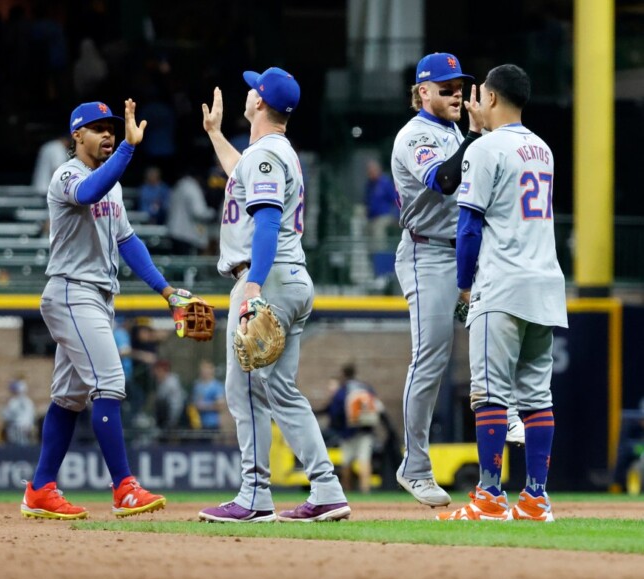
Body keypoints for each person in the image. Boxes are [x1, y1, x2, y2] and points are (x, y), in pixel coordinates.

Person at [21, 100, 208, 520]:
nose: (107, 134)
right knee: (110, 382)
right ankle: (124, 488)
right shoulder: (67, 175)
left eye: (111, 127)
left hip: (97, 296)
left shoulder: (114, 184)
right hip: (72, 290)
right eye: (97, 128)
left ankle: (40, 490)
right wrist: (126, 148)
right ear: (77, 136)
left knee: (68, 399)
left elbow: (128, 242)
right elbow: (89, 192)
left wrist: (166, 290)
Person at [198, 67, 350, 523]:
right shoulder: (267, 153)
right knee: (281, 392)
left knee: (243, 389)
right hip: (291, 277)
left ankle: (254, 494)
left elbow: (265, 222)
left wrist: (253, 289)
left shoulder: (265, 156)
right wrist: (215, 134)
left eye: (252, 87)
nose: (247, 90)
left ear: (259, 102)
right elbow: (241, 174)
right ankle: (326, 489)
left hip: (267, 276)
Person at [438, 64, 567, 521]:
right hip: (546, 285)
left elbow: (469, 225)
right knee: (536, 396)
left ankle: (490, 495)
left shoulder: (487, 147)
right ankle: (535, 498)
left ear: (490, 98)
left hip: (503, 284)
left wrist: (464, 286)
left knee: (489, 394)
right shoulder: (543, 149)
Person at [390, 52, 485, 508]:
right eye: (446, 87)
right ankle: (415, 466)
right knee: (429, 360)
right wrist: (476, 136)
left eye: (460, 86)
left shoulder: (450, 131)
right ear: (423, 91)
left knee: (492, 345)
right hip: (426, 253)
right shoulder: (416, 135)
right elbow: (444, 180)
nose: (456, 93)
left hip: (466, 253)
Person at [326, 364, 382, 494]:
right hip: (365, 430)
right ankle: (365, 490)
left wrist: (337, 428)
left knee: (346, 462)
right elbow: (377, 405)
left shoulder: (343, 390)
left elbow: (336, 411)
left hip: (348, 433)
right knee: (365, 460)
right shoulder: (365, 387)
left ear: (343, 374)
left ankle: (347, 490)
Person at [166, 171, 216, 255]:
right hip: (185, 234)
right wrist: (213, 213)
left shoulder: (179, 185)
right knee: (186, 264)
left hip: (174, 231)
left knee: (179, 262)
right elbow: (198, 212)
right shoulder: (192, 187)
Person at [364, 158, 399, 252]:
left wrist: (397, 215)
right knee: (368, 240)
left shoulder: (385, 182)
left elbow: (395, 199)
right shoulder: (369, 185)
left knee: (378, 229)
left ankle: (380, 256)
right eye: (369, 171)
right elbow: (367, 201)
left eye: (372, 170)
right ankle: (372, 259)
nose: (370, 173)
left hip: (384, 217)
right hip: (371, 218)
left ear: (378, 170)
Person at [153, 359, 186, 432]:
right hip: (166, 420)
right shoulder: (160, 382)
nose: (155, 373)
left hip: (176, 419)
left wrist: (170, 423)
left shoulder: (171, 383)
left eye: (158, 370)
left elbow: (176, 405)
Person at [192, 359, 225, 430]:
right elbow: (194, 403)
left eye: (207, 369)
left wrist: (204, 406)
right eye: (203, 369)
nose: (205, 372)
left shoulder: (217, 386)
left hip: (212, 424)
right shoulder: (197, 386)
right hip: (196, 424)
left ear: (212, 370)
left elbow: (220, 406)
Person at [2, 378, 36, 445]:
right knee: (13, 445)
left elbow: (30, 415)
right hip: (13, 427)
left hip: (23, 428)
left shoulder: (27, 402)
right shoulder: (13, 401)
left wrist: (29, 425)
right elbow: (7, 416)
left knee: (24, 444)